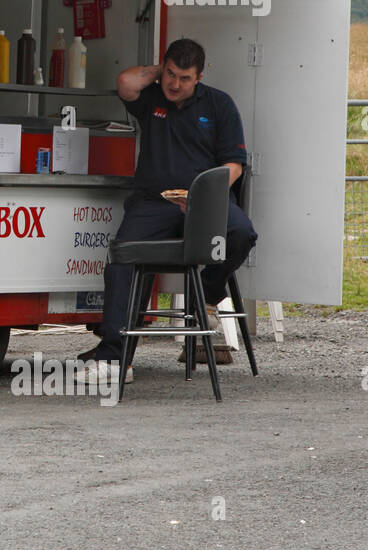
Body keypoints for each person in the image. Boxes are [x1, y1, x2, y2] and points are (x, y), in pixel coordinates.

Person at [77, 38, 257, 377]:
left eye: (184, 78)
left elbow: (234, 164)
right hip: (153, 202)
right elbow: (126, 83)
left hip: (203, 203)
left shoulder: (219, 105)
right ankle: (114, 359)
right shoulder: (153, 98)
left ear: (199, 77)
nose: (175, 84)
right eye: (171, 74)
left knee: (242, 233)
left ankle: (206, 294)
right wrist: (160, 72)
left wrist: (201, 196)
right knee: (122, 256)